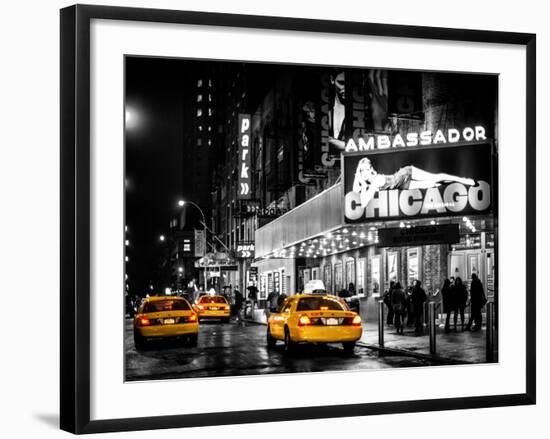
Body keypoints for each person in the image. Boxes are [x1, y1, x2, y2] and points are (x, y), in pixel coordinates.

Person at [352, 157, 476, 209]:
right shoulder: (370, 183)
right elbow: (360, 197)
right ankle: (458, 182)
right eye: (365, 171)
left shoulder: (375, 182)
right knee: (433, 184)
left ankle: (463, 180)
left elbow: (363, 202)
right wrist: (360, 179)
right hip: (403, 185)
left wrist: (361, 181)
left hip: (406, 173)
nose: (368, 172)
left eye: (368, 169)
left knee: (436, 178)